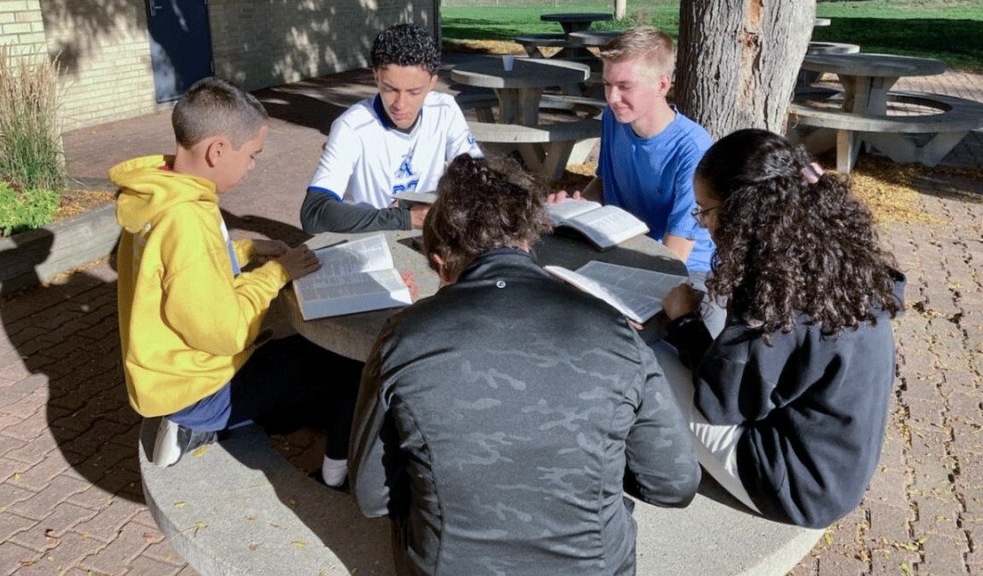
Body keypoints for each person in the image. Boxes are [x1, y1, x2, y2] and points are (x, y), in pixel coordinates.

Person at [350, 153, 700, 575]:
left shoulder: (401, 338)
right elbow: (674, 485)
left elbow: (374, 497)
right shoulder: (615, 331)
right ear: (530, 240)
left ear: (441, 261)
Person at [111, 77, 362, 489]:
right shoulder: (187, 220)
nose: (252, 166)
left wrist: (248, 249)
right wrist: (278, 273)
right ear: (217, 150)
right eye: (252, 155)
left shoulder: (160, 192)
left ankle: (279, 419)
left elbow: (181, 269)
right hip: (198, 390)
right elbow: (226, 332)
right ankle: (334, 478)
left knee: (301, 367)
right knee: (345, 364)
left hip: (169, 369)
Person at [658, 129, 906, 528]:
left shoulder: (775, 295)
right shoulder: (833, 255)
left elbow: (721, 403)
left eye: (705, 211)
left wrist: (685, 322)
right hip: (837, 463)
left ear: (743, 212)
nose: (703, 224)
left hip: (797, 485)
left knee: (650, 362)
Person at [554, 25, 714, 273]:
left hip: (685, 270)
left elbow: (675, 256)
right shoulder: (614, 119)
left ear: (662, 85)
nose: (612, 97)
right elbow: (605, 183)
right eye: (608, 84)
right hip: (619, 249)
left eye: (625, 86)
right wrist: (576, 208)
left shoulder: (692, 149)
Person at [301, 23, 482, 234]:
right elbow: (314, 213)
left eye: (414, 92)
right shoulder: (351, 127)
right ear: (376, 76)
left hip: (431, 235)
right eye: (390, 89)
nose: (400, 104)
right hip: (374, 240)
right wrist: (405, 218)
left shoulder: (445, 109)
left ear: (432, 83)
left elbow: (477, 179)